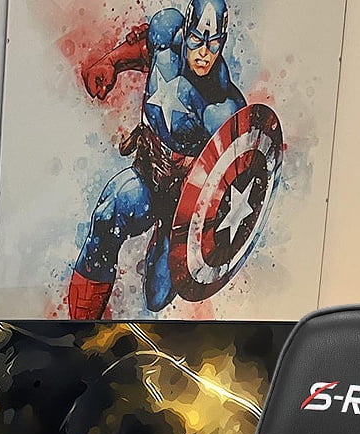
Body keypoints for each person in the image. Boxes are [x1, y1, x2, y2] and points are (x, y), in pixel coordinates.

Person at [68, 0, 245, 318]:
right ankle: (77, 329)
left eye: (213, 44)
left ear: (223, 42)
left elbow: (237, 186)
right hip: (147, 178)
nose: (203, 54)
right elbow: (142, 52)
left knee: (157, 296)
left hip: (181, 209)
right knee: (108, 215)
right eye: (197, 40)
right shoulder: (165, 35)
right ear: (186, 31)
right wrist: (111, 63)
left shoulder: (223, 110)